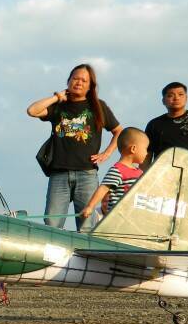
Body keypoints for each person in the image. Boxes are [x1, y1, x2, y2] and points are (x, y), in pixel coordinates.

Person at [26, 63, 122, 231]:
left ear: (90, 86)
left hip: (87, 173)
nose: (79, 83)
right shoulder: (58, 106)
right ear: (69, 80)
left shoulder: (98, 106)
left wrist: (106, 153)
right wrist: (57, 97)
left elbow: (119, 132)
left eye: (84, 81)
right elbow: (32, 111)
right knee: (52, 225)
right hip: (59, 174)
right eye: (75, 78)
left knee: (86, 226)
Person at [81, 127, 149, 221]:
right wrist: (90, 207)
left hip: (134, 221)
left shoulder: (140, 173)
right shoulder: (118, 170)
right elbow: (103, 188)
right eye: (145, 149)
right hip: (117, 220)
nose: (147, 153)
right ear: (133, 149)